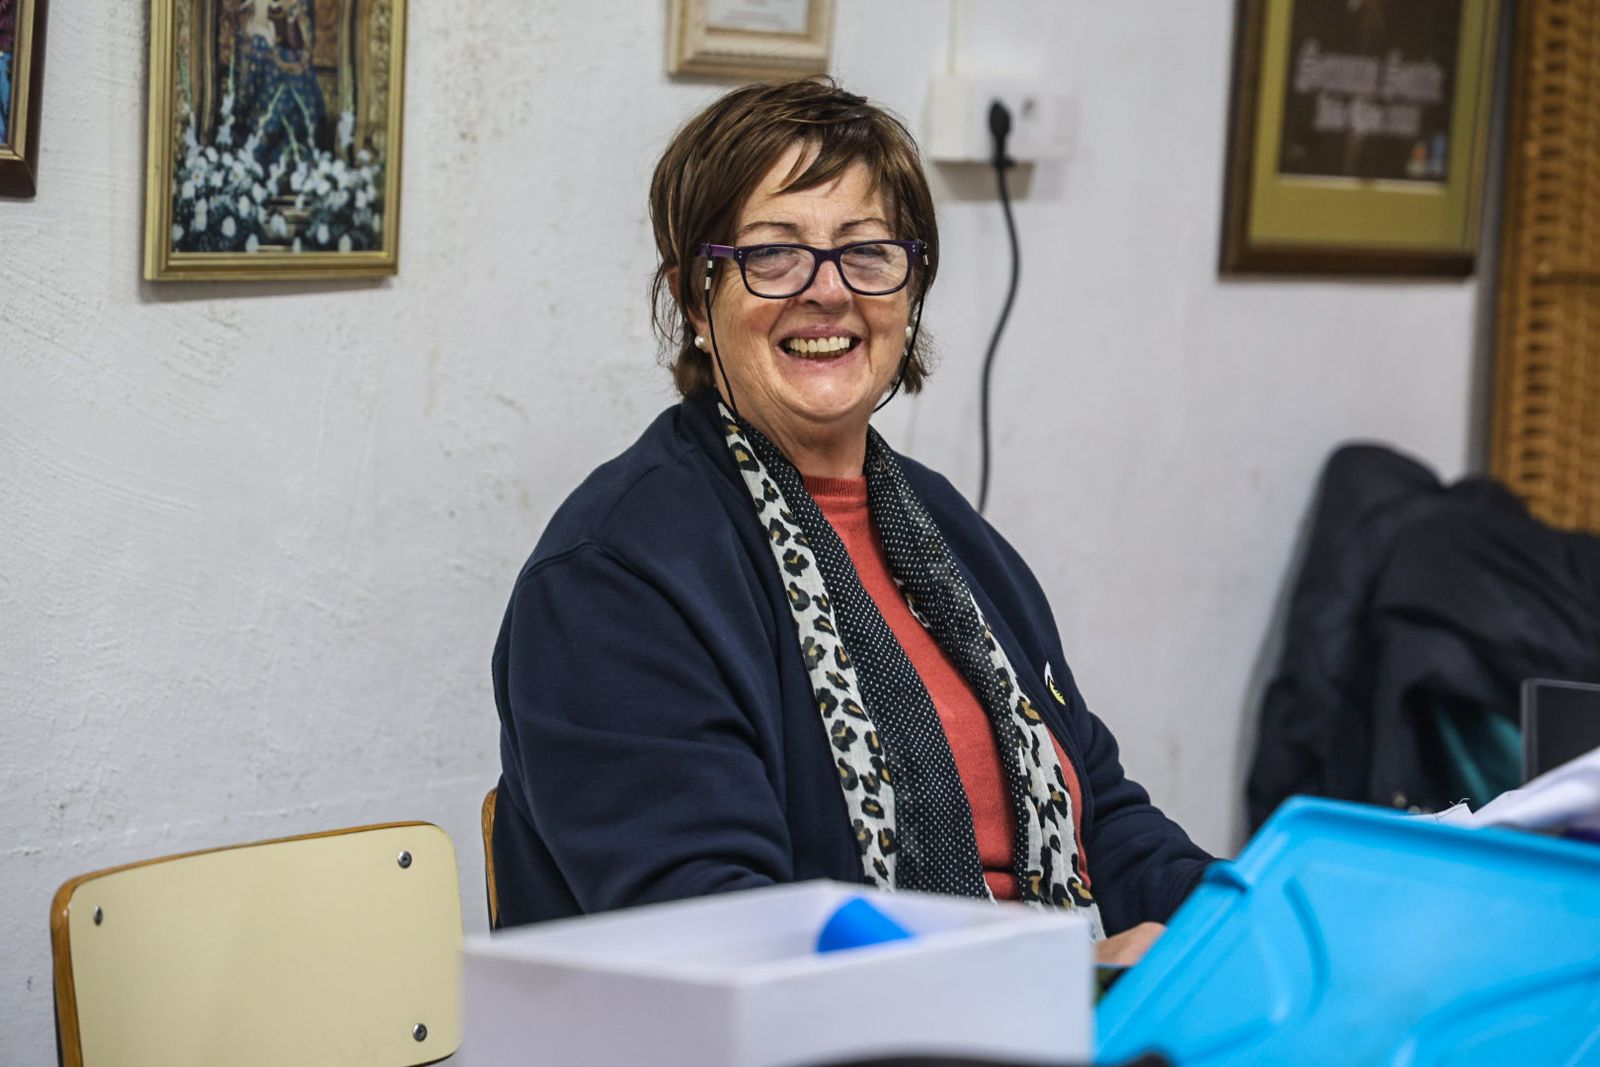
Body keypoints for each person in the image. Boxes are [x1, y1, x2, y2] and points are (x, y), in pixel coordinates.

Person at [491, 79, 1210, 965]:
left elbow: (1106, 818)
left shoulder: (944, 527)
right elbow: (718, 934)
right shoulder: (611, 576)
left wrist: (1254, 921)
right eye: (774, 254)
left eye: (866, 252)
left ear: (909, 292)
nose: (827, 291)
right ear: (694, 299)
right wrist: (1062, 973)